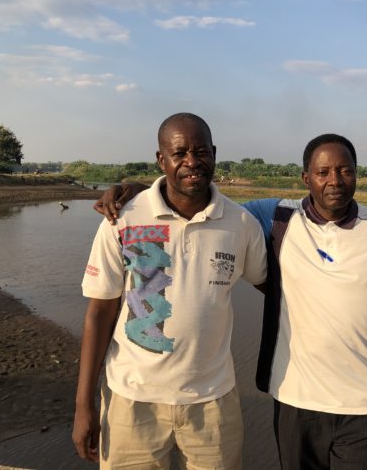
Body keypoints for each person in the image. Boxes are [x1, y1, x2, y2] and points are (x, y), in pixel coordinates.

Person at [94, 134, 367, 469]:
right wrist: (141, 192)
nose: (334, 180)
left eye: (345, 170)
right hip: (295, 397)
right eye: (323, 172)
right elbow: (200, 207)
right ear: (306, 178)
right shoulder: (276, 217)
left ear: (357, 174)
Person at [72, 113, 267, 469]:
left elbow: (270, 284)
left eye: (201, 151)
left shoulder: (241, 224)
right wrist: (83, 405)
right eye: (179, 153)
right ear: (161, 160)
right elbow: (99, 313)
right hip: (131, 401)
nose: (192, 162)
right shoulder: (122, 218)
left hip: (213, 403)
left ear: (214, 154)